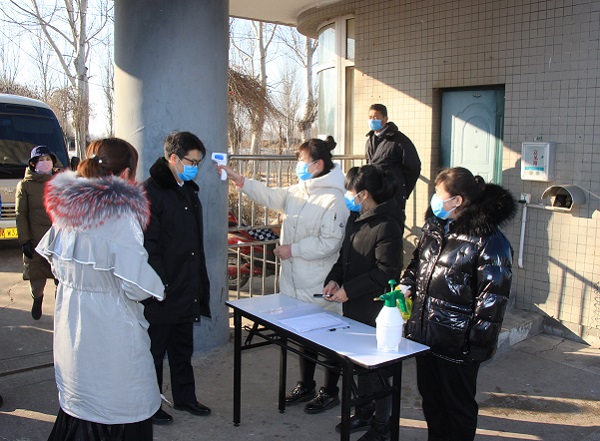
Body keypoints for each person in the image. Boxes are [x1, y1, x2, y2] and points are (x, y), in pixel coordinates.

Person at [36, 138, 166, 441]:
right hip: (111, 334)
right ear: (125, 174)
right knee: (118, 406)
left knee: (79, 404)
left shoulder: (65, 210)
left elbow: (56, 266)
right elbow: (136, 286)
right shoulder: (120, 217)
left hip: (72, 329)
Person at [219, 137, 348, 413]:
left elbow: (330, 242)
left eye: (301, 161)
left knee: (327, 339)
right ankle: (306, 384)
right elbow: (270, 196)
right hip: (294, 280)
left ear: (318, 164)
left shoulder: (334, 199)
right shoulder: (299, 191)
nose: (297, 166)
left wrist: (294, 249)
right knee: (303, 338)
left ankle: (330, 391)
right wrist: (240, 180)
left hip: (318, 282)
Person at [400, 167, 517, 441]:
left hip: (457, 344)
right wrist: (406, 284)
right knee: (432, 401)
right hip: (427, 335)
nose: (434, 200)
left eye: (439, 194)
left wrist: (473, 346)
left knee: (458, 408)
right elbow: (418, 262)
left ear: (458, 200)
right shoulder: (435, 227)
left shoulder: (490, 242)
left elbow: (492, 301)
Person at [321, 165, 404, 441]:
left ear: (364, 194)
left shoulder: (387, 225)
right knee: (359, 365)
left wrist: (350, 289)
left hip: (374, 309)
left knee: (378, 370)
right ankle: (364, 412)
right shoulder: (355, 218)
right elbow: (344, 258)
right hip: (353, 306)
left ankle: (382, 425)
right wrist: (334, 280)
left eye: (351, 191)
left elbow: (387, 272)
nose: (348, 195)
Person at [143, 131, 212, 425]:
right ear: (174, 158)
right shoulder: (151, 193)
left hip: (186, 285)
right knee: (154, 351)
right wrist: (161, 284)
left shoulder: (188, 190)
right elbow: (149, 246)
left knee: (183, 348)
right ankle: (150, 404)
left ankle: (185, 398)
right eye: (192, 161)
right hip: (162, 290)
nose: (195, 167)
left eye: (198, 162)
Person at [15, 145, 58, 320]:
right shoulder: (25, 186)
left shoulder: (59, 183)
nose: (45, 162)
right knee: (37, 279)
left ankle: (60, 310)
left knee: (61, 279)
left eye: (48, 159)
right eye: (41, 160)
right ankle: (37, 299)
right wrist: (24, 240)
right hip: (35, 241)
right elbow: (21, 215)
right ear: (33, 163)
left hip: (57, 241)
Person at [365, 103, 421, 212]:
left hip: (393, 194)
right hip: (375, 193)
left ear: (385, 119)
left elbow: (413, 167)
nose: (372, 121)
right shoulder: (370, 140)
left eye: (375, 118)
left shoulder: (399, 140)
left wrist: (402, 189)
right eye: (370, 117)